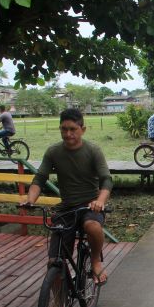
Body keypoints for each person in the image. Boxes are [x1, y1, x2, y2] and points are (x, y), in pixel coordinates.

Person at [24, 108, 112, 285]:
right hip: (67, 208)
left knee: (93, 226)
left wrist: (100, 201)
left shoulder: (93, 151)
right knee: (54, 263)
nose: (68, 134)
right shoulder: (53, 152)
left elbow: (106, 180)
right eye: (64, 129)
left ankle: (95, 261)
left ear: (83, 129)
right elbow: (40, 179)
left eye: (73, 129)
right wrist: (30, 199)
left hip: (89, 206)